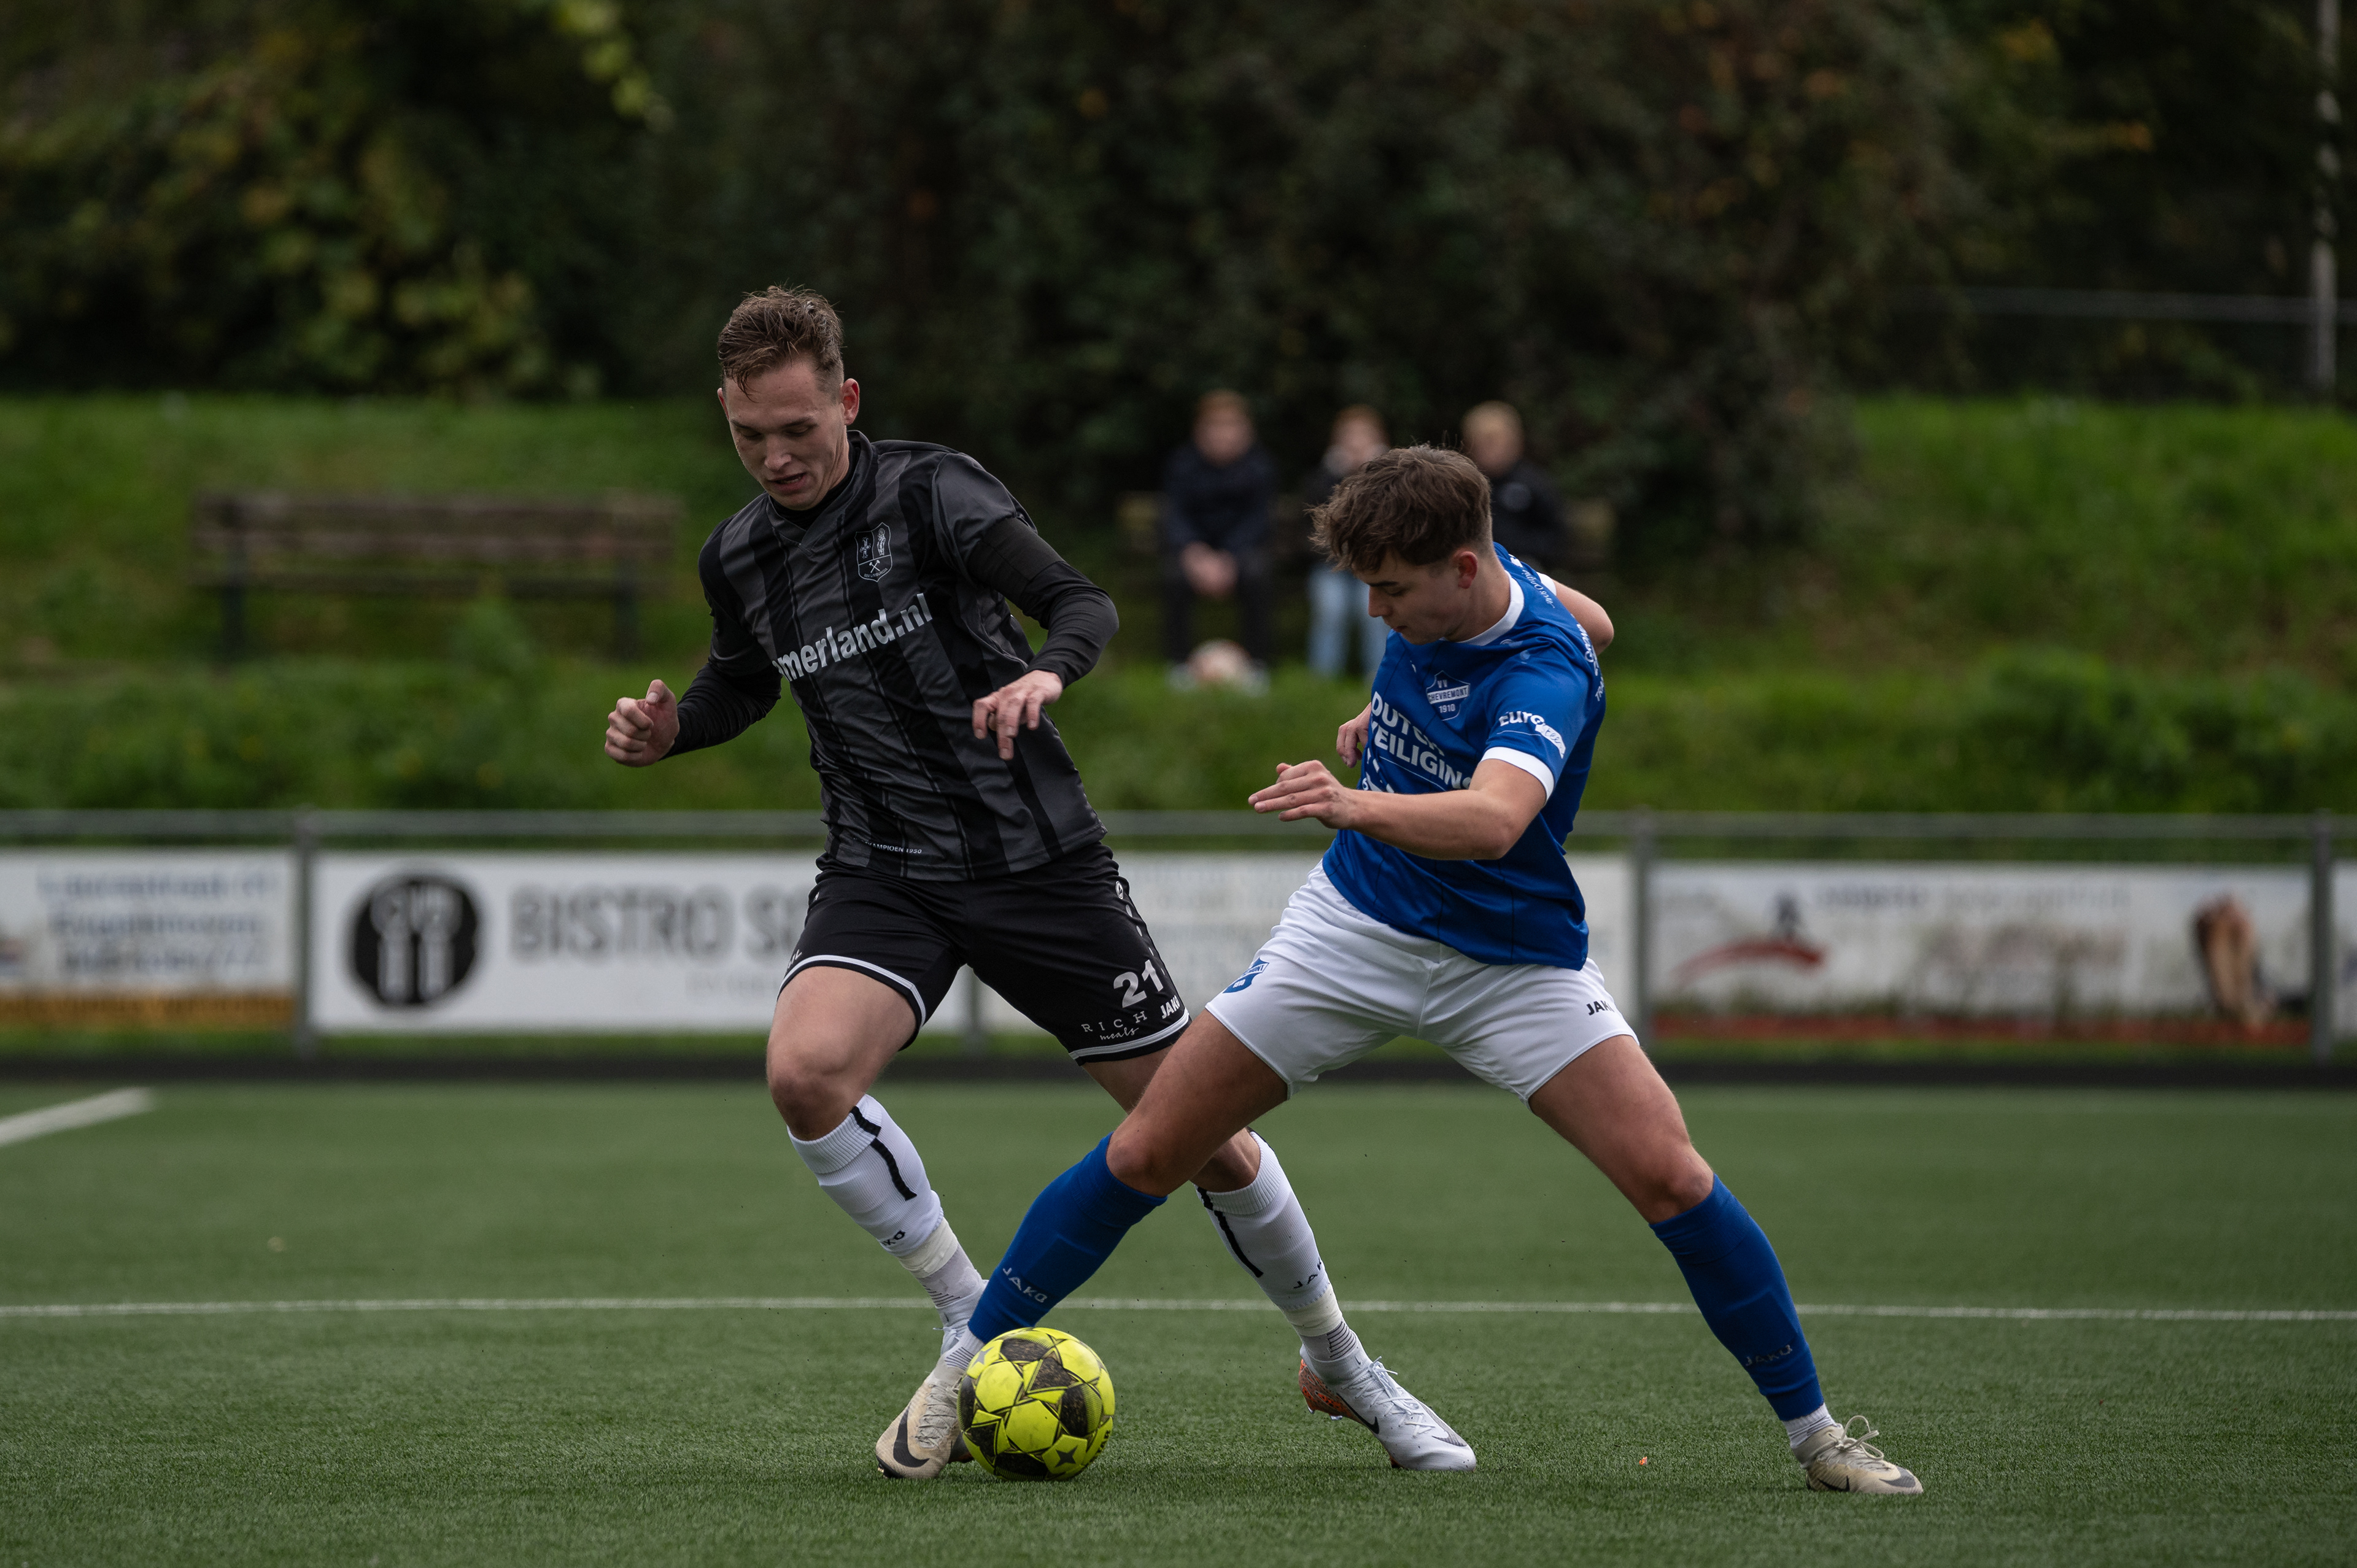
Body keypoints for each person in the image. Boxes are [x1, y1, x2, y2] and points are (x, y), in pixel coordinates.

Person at [937, 446, 1924, 1493]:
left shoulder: (1541, 667)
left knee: (1672, 1174)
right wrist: (1394, 725)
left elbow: (1497, 819)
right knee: (1150, 1146)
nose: (1374, 612)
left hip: (1512, 962)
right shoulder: (1490, 585)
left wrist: (1352, 799)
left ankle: (1820, 1438)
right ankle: (950, 1381)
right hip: (1353, 927)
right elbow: (1601, 619)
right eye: (1367, 586)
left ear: (1463, 567)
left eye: (1392, 590)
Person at [601, 286, 1364, 1481]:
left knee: (1204, 1137)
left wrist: (1049, 674)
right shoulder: (738, 552)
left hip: (1035, 862)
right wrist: (673, 729)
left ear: (848, 400)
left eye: (799, 428)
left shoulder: (934, 492)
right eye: (750, 435)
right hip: (884, 871)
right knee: (804, 1073)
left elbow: (1083, 601)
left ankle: (1339, 1357)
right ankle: (968, 1316)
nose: (777, 456)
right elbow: (743, 682)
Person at [1161, 390, 1277, 686]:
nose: (1223, 434)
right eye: (1215, 425)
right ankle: (1179, 665)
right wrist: (1193, 551)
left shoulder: (1260, 467)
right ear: (1199, 430)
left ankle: (1256, 664)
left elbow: (1258, 520)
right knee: (1174, 577)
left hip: (1241, 553)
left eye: (1231, 425)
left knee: (1258, 575)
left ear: (1246, 431)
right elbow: (1175, 514)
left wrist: (1230, 557)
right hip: (1195, 552)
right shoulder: (1182, 464)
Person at [1302, 406, 1390, 681]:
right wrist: (1339, 475)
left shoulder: (1393, 479)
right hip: (1331, 566)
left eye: (1364, 435)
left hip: (1378, 566)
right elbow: (1310, 531)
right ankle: (1323, 678)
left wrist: (1372, 473)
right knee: (1331, 608)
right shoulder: (1321, 479)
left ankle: (1380, 676)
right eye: (1349, 435)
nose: (1356, 442)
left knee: (1372, 612)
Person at [1463, 400, 1566, 571]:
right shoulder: (1463, 486)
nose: (1487, 449)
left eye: (1493, 441)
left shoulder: (1534, 484)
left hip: (1524, 566)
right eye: (1480, 442)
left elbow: (1555, 537)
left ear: (1515, 442)